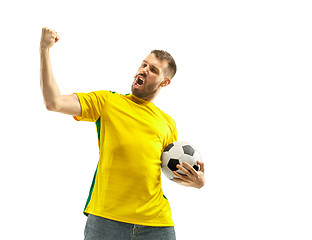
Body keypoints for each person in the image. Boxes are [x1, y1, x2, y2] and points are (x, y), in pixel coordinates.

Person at [40, 27, 205, 240]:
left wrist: (197, 182)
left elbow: (169, 169)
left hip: (156, 223)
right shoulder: (107, 102)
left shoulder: (167, 123)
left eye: (154, 70)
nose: (144, 70)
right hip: (106, 220)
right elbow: (54, 102)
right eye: (144, 64)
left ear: (165, 82)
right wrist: (44, 50)